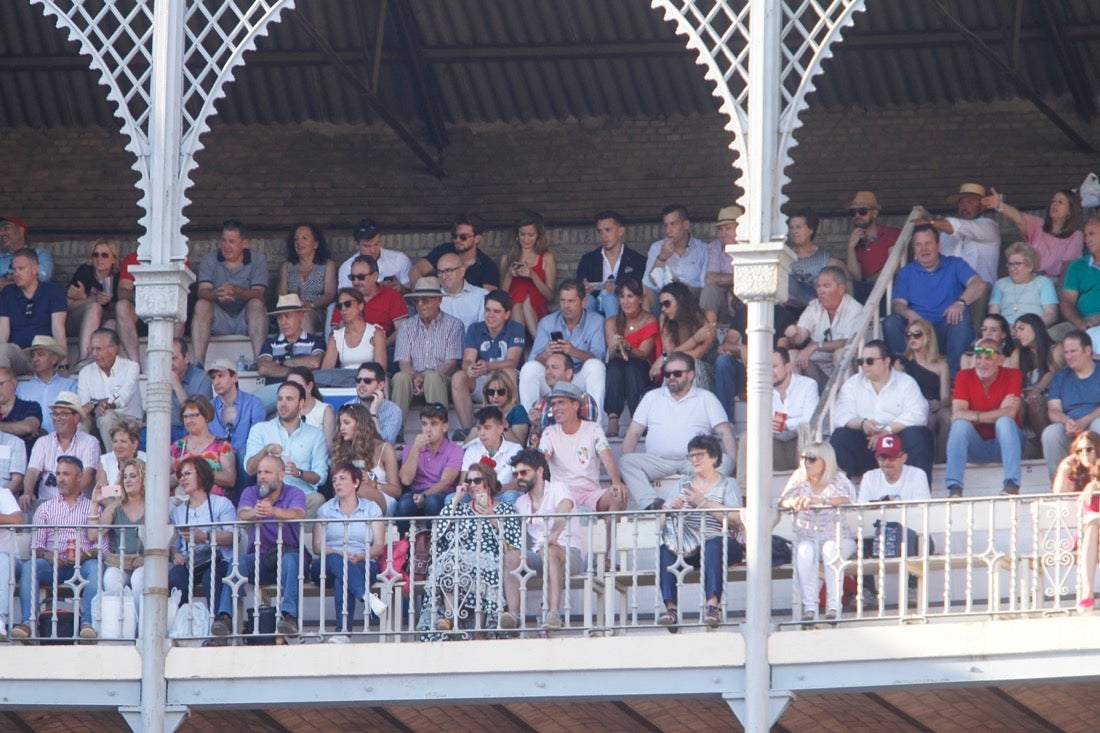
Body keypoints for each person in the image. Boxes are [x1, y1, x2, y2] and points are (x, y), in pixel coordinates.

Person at [620, 352, 738, 510]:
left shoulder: (706, 398)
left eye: (677, 373)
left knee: (726, 461)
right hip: (657, 461)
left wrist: (734, 469)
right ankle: (652, 505)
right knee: (626, 462)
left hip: (695, 461)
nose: (671, 378)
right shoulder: (651, 397)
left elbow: (725, 432)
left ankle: (697, 499)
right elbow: (633, 433)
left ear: (691, 375)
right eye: (667, 374)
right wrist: (624, 478)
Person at [211, 454, 307, 639]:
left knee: (291, 560)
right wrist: (256, 512)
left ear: (281, 476)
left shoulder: (295, 492)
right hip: (260, 560)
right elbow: (242, 513)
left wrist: (274, 511)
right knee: (237, 563)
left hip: (287, 556)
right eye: (260, 472)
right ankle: (224, 617)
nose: (262, 476)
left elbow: (299, 513)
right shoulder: (250, 492)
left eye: (268, 472)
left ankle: (289, 618)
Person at [657, 433, 744, 631]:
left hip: (722, 543)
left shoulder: (727, 483)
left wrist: (703, 503)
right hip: (689, 545)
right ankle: (671, 610)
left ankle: (713, 606)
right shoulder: (682, 484)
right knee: (666, 550)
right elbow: (661, 524)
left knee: (712, 544)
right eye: (691, 455)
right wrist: (671, 510)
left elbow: (736, 519)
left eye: (699, 455)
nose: (694, 459)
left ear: (713, 457)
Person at [422, 461, 522, 634]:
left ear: (488, 483)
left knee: (475, 566)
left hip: (491, 557)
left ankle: (479, 631)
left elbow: (514, 542)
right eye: (469, 481)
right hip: (460, 558)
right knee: (450, 560)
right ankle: (450, 617)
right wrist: (456, 500)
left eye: (477, 480)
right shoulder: (460, 509)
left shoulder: (504, 508)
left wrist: (492, 517)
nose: (472, 485)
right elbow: (437, 534)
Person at [11, 456, 100, 640]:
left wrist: (86, 554)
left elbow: (103, 549)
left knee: (96, 567)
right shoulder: (45, 508)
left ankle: (87, 624)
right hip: (53, 565)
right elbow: (35, 547)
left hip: (83, 564)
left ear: (79, 477)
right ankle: (28, 624)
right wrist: (48, 555)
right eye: (58, 473)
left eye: (66, 474)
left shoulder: (93, 507)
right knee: (30, 566)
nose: (60, 478)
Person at [884, 224, 986, 377]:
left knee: (961, 317)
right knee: (891, 322)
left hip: (947, 329)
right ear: (914, 249)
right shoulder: (906, 272)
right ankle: (905, 374)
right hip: (919, 331)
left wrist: (960, 302)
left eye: (928, 243)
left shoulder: (955, 264)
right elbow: (897, 304)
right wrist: (909, 313)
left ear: (938, 245)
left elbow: (979, 284)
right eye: (918, 244)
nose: (924, 249)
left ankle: (952, 377)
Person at [829, 340, 933, 482]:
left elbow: (919, 414)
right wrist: (863, 424)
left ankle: (920, 495)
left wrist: (887, 430)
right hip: (867, 444)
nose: (864, 365)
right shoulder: (852, 384)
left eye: (870, 361)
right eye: (861, 361)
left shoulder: (906, 382)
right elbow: (841, 415)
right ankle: (843, 492)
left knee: (919, 436)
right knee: (840, 437)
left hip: (897, 443)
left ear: (886, 361)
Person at [778, 441, 855, 623]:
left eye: (812, 459)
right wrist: (793, 503)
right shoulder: (799, 477)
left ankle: (834, 606)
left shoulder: (838, 479)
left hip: (839, 537)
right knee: (804, 551)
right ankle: (810, 607)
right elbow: (782, 501)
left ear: (825, 461)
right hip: (808, 537)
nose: (806, 463)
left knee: (830, 549)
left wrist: (819, 500)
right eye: (804, 458)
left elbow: (848, 499)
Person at [508, 449, 584, 631]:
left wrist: (554, 536)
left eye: (524, 472)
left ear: (539, 471)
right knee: (510, 557)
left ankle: (553, 613)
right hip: (538, 554)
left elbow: (564, 508)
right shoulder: (520, 503)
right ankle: (513, 616)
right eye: (516, 474)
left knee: (549, 551)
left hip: (569, 553)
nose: (519, 477)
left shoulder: (557, 488)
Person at [310, 462, 386, 635]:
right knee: (338, 562)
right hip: (327, 565)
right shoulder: (325, 510)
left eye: (342, 478)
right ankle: (367, 597)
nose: (337, 483)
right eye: (334, 479)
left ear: (356, 483)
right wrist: (342, 554)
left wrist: (359, 556)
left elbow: (379, 546)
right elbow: (317, 546)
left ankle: (343, 632)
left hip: (363, 561)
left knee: (342, 579)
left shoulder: (371, 508)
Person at [945, 338, 1025, 497]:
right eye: (978, 357)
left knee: (1004, 421)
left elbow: (1009, 413)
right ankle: (955, 487)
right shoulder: (964, 376)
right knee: (960, 425)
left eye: (988, 357)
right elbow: (958, 413)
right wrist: (996, 411)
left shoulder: (1013, 374)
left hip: (1006, 444)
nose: (982, 362)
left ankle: (1012, 485)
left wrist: (974, 416)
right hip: (976, 446)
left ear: (1000, 359)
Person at [538, 382, 627, 513]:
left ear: (575, 405)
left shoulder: (593, 428)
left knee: (619, 497)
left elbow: (606, 456)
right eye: (553, 404)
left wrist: (616, 482)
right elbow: (541, 461)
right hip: (561, 495)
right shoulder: (549, 432)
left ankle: (610, 534)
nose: (555, 408)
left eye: (561, 402)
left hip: (590, 494)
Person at [244, 381, 330, 517]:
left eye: (289, 399)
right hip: (268, 495)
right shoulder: (260, 429)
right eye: (279, 399)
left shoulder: (316, 435)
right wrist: (265, 450)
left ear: (301, 403)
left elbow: (320, 477)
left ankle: (301, 538)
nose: (283, 404)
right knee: (248, 500)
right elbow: (249, 469)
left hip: (301, 496)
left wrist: (299, 473)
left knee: (318, 499)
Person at [520, 279, 607, 410]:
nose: (566, 305)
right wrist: (545, 354)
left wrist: (573, 351)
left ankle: (595, 424)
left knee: (596, 366)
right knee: (529, 368)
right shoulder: (547, 323)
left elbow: (599, 357)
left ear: (583, 302)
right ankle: (530, 421)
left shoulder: (596, 321)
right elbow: (533, 359)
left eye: (571, 301)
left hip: (579, 378)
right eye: (562, 300)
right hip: (553, 380)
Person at [191, 219, 269, 365]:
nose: (226, 246)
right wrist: (218, 293)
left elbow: (259, 293)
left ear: (244, 244)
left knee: (257, 304)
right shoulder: (209, 259)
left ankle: (259, 360)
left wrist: (236, 291)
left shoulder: (258, 259)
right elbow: (202, 291)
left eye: (232, 241)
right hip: (220, 319)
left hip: (245, 319)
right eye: (224, 241)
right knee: (202, 304)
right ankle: (199, 362)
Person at [450, 290, 526, 439]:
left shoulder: (516, 328)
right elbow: (467, 360)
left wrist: (488, 366)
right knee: (459, 377)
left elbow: (512, 361)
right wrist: (470, 368)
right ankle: (471, 429)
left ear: (507, 314)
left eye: (496, 311)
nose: (490, 315)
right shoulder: (475, 329)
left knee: (508, 371)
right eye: (487, 310)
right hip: (483, 380)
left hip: (505, 381)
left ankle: (508, 423)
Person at [167, 458, 234, 615]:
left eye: (188, 473)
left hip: (217, 560)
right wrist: (176, 554)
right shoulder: (177, 512)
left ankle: (218, 626)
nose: (183, 479)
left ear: (202, 475)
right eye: (181, 475)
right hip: (190, 563)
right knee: (176, 577)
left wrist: (205, 536)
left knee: (210, 578)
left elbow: (233, 536)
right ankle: (181, 625)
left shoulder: (221, 503)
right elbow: (174, 543)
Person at [391, 278, 464, 420]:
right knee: (400, 377)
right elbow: (403, 363)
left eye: (425, 300)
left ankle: (439, 430)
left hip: (442, 380)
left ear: (438, 300)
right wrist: (415, 377)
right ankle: (396, 432)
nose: (420, 304)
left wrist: (426, 379)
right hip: (413, 380)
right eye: (416, 300)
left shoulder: (454, 325)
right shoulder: (406, 326)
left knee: (432, 377)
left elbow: (451, 363)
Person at [779, 265, 861, 390]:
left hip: (846, 371)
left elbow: (849, 342)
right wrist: (794, 334)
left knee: (840, 354)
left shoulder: (854, 309)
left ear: (841, 288)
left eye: (826, 286)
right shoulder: (815, 306)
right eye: (818, 286)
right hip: (818, 369)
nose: (820, 291)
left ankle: (847, 402)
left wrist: (816, 346)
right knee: (793, 355)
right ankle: (798, 405)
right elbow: (801, 335)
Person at [87, 457, 146, 623]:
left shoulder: (154, 505)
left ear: (144, 479)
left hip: (145, 563)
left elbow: (165, 538)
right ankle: (121, 627)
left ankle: (140, 627)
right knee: (110, 579)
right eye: (125, 476)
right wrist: (94, 503)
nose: (128, 480)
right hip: (117, 562)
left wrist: (147, 558)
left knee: (139, 579)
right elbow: (93, 535)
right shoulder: (115, 505)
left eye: (133, 476)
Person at [22, 391, 99, 512]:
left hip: (78, 504)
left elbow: (88, 475)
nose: (57, 418)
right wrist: (28, 491)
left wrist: (67, 499)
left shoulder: (90, 442)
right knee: (26, 503)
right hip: (46, 504)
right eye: (55, 414)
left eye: (63, 414)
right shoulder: (43, 442)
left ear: (76, 417)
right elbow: (32, 471)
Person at [984, 187, 1084, 279]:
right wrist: (1000, 205)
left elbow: (1068, 269)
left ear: (1070, 210)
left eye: (1060, 202)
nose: (1055, 204)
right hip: (1030, 280)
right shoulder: (1038, 225)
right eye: (1053, 201)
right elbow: (1018, 218)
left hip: (1056, 284)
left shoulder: (1076, 236)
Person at [775, 209, 845, 337]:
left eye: (799, 227)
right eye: (791, 228)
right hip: (790, 308)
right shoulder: (785, 256)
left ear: (811, 230)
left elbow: (845, 283)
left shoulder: (825, 258)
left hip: (817, 306)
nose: (794, 231)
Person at [603, 277, 659, 437]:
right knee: (615, 367)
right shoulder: (612, 322)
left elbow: (644, 353)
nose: (625, 301)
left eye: (630, 296)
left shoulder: (650, 320)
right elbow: (612, 355)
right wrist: (615, 346)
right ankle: (613, 419)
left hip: (642, 367)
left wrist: (628, 346)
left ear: (640, 299)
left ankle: (638, 419)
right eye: (622, 297)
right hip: (619, 367)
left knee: (632, 366)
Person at [1051, 431, 1100, 610]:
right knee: (1093, 524)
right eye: (1080, 451)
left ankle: (1087, 593)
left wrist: (1096, 484)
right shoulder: (1078, 473)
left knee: (1093, 522)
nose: (1085, 454)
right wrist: (1063, 470)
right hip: (1090, 533)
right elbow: (1059, 494)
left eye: (1089, 449)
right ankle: (1087, 592)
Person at [1041, 331, 1100, 479]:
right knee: (1051, 433)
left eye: (1073, 351)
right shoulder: (1061, 376)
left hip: (1094, 422)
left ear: (1087, 350)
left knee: (1098, 426)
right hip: (1070, 427)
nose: (1068, 356)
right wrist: (1067, 422)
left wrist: (1083, 421)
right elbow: (1053, 410)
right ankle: (1059, 486)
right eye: (1066, 352)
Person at [919, 182, 1001, 287]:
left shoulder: (989, 226)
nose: (964, 207)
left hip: (981, 294)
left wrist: (931, 223)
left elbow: (960, 226)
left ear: (982, 207)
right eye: (961, 203)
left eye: (970, 202)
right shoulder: (945, 234)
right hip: (949, 292)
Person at [893, 319, 952, 464]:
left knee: (947, 416)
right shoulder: (902, 362)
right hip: (913, 406)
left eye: (917, 334)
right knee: (928, 419)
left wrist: (939, 403)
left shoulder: (941, 365)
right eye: (909, 335)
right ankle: (927, 459)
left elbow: (945, 397)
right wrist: (923, 403)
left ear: (928, 336)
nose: (912, 338)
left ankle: (941, 460)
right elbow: (897, 395)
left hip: (935, 405)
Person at [0, 248, 67, 374]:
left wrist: (63, 365)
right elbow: (2, 334)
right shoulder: (8, 293)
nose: (16, 273)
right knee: (2, 349)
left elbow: (59, 331)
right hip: (19, 355)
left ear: (34, 269)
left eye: (21, 268)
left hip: (44, 354)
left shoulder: (53, 291)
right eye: (14, 269)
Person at [207, 358, 266, 500]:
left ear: (235, 377)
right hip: (217, 458)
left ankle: (243, 503)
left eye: (221, 376)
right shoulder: (208, 407)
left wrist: (233, 452)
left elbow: (257, 438)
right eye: (213, 377)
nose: (216, 382)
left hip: (244, 457)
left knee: (243, 455)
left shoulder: (254, 403)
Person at [255, 294, 326, 411]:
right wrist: (296, 373)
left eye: (288, 316)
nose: (283, 322)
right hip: (276, 392)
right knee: (252, 404)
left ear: (301, 315)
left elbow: (314, 362)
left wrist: (281, 362)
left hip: (303, 391)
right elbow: (263, 368)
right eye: (280, 317)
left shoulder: (315, 341)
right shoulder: (270, 343)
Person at [397, 403, 463, 528]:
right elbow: (406, 480)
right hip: (415, 492)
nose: (428, 429)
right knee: (405, 504)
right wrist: (416, 448)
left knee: (431, 502)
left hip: (440, 493)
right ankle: (402, 544)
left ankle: (433, 544)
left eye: (434, 424)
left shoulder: (455, 450)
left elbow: (445, 482)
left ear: (444, 427)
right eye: (424, 424)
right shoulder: (412, 447)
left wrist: (425, 495)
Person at [77, 328, 143, 448]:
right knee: (81, 420)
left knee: (106, 416)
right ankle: (83, 461)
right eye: (92, 349)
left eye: (99, 349)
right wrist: (96, 406)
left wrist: (106, 404)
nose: (94, 354)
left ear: (114, 349)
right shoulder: (85, 372)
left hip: (129, 421)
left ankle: (114, 463)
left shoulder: (131, 367)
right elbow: (84, 404)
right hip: (97, 420)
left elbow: (124, 397)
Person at [331, 403, 400, 516]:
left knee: (355, 488)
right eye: (340, 423)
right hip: (349, 499)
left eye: (347, 423)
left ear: (360, 424)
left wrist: (373, 484)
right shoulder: (342, 450)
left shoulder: (384, 448)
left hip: (382, 498)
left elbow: (396, 491)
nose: (342, 428)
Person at [576, 210, 647, 318]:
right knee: (586, 300)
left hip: (623, 309)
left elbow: (640, 291)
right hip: (594, 308)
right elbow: (576, 288)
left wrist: (617, 290)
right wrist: (583, 289)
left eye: (608, 230)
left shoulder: (637, 260)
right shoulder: (588, 259)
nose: (603, 235)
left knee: (609, 298)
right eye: (600, 231)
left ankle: (614, 332)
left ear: (620, 231)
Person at [525, 352, 600, 450]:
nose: (548, 371)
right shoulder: (540, 403)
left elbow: (584, 438)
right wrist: (535, 426)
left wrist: (545, 425)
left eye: (554, 367)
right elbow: (533, 446)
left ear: (569, 373)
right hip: (544, 461)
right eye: (547, 367)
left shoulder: (584, 400)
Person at [336, 254, 409, 355]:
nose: (356, 282)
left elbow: (402, 330)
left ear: (375, 276)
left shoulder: (392, 296)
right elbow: (334, 335)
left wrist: (380, 346)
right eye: (352, 277)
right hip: (350, 351)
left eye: (361, 277)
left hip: (384, 349)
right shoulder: (344, 299)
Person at [66, 239, 122, 366]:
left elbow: (117, 310)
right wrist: (92, 299)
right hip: (76, 322)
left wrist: (83, 297)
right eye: (95, 254)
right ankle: (83, 360)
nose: (99, 258)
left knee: (112, 323)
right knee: (94, 307)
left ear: (114, 259)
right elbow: (68, 306)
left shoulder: (118, 278)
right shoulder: (85, 272)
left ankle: (105, 363)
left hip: (103, 321)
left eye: (104, 255)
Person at [651, 282, 717, 390]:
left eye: (667, 303)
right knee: (674, 365)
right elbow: (670, 355)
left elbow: (697, 354)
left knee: (692, 364)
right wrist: (695, 339)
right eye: (661, 305)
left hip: (708, 371)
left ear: (681, 300)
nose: (663, 308)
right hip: (679, 370)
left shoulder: (708, 316)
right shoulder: (664, 319)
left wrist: (664, 358)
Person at [500, 211, 557, 336]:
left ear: (538, 236)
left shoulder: (546, 257)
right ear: (517, 234)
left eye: (531, 235)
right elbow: (501, 297)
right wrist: (509, 275)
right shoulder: (506, 258)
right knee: (518, 301)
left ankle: (519, 343)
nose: (525, 239)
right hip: (512, 308)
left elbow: (550, 295)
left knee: (525, 298)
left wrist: (532, 275)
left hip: (536, 306)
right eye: (522, 234)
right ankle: (537, 342)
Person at [409, 213, 500, 289]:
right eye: (455, 236)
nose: (457, 240)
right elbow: (416, 270)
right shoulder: (444, 250)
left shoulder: (487, 265)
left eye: (463, 237)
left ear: (477, 239)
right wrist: (421, 294)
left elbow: (489, 298)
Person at [317, 287, 386, 388]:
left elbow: (381, 369)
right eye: (339, 306)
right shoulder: (336, 336)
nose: (343, 309)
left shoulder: (375, 333)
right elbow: (325, 373)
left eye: (348, 304)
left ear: (361, 306)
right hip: (343, 382)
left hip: (368, 381)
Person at [765, 347, 819, 473]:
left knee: (806, 431)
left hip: (800, 445)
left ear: (788, 367)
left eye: (774, 366)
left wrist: (786, 424)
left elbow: (811, 420)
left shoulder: (808, 385)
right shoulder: (762, 390)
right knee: (748, 438)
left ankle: (807, 486)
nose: (769, 372)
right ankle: (745, 491)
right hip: (776, 446)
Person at [276, 222, 336, 333]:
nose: (299, 242)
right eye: (296, 239)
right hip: (292, 312)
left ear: (316, 244)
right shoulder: (287, 267)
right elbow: (281, 296)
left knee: (305, 316)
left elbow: (330, 294)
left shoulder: (327, 265)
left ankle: (306, 349)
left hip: (316, 312)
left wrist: (311, 305)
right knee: (286, 318)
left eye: (304, 238)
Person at [170, 396, 236, 496]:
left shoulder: (222, 445)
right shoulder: (177, 446)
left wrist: (200, 472)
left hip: (212, 504)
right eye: (185, 416)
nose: (189, 420)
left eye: (194, 415)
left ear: (206, 416)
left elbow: (230, 478)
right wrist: (180, 476)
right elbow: (162, 482)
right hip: (181, 504)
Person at [844, 191, 901, 303]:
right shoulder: (856, 243)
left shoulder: (891, 234)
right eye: (853, 212)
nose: (857, 216)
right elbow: (857, 278)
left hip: (888, 292)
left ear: (874, 213)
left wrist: (870, 281)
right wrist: (850, 247)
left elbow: (894, 268)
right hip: (865, 293)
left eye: (862, 211)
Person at [1014, 314, 1063, 441]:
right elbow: (1011, 377)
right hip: (1025, 395)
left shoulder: (1056, 349)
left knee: (1036, 401)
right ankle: (1014, 443)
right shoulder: (1018, 353)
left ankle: (1044, 446)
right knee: (1015, 402)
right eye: (1016, 330)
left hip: (1052, 396)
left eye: (1021, 328)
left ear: (1036, 327)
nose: (1017, 334)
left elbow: (1052, 373)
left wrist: (1036, 390)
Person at [643, 204, 708, 300]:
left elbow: (705, 287)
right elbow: (648, 283)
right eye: (666, 226)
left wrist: (688, 289)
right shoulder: (656, 248)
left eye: (673, 224)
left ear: (685, 225)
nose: (668, 231)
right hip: (663, 300)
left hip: (692, 300)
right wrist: (662, 258)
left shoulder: (702, 249)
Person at [17, 335, 76, 436]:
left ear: (54, 359)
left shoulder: (69, 385)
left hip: (63, 439)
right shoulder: (22, 388)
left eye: (40, 354)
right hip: (30, 440)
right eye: (33, 356)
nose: (35, 359)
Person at [988, 242, 1059, 326]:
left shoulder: (1044, 282)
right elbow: (993, 316)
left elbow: (1051, 315)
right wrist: (1005, 328)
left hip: (1034, 330)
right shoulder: (1000, 284)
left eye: (1017, 264)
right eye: (1010, 264)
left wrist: (1028, 328)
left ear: (1030, 266)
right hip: (1006, 331)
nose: (1012, 268)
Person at [461, 406, 522, 497]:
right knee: (452, 498)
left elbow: (520, 482)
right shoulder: (471, 451)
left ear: (500, 429)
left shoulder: (515, 449)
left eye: (487, 428)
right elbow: (463, 483)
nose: (482, 433)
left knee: (511, 496)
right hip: (476, 496)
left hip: (502, 495)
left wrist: (492, 490)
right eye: (479, 428)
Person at [337, 218, 412, 290]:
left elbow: (411, 294)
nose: (373, 250)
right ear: (356, 245)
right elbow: (344, 297)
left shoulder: (399, 259)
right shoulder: (347, 267)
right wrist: (376, 289)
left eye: (376, 244)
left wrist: (400, 288)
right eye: (367, 246)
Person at [856, 435, 931, 504]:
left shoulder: (917, 475)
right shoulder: (869, 477)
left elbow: (921, 511)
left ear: (904, 458)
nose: (886, 462)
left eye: (892, 457)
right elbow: (861, 511)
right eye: (882, 457)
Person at [1058, 216, 1100, 342]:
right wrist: (1080, 323)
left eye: (1091, 234)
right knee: (1046, 337)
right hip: (1085, 322)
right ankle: (995, 357)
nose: (1087, 240)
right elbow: (1067, 302)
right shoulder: (1077, 266)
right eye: (1085, 236)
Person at [699, 205, 742, 327]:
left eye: (728, 228)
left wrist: (733, 289)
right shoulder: (715, 247)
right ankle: (707, 336)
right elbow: (710, 279)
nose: (723, 234)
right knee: (709, 290)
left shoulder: (752, 245)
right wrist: (732, 286)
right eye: (720, 229)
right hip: (724, 305)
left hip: (747, 302)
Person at [348, 362, 402, 445]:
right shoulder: (348, 408)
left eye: (367, 381)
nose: (361, 385)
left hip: (381, 457)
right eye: (358, 380)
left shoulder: (393, 410)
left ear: (380, 385)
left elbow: (385, 445)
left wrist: (373, 413)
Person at [168, 338, 211, 441]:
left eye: (174, 358)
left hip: (192, 427)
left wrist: (176, 384)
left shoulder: (203, 378)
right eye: (166, 359)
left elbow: (199, 414)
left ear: (186, 357)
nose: (169, 364)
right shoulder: (161, 377)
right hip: (167, 429)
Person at [438, 252, 489, 331]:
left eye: (448, 271)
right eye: (440, 272)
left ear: (462, 271)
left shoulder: (481, 296)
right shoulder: (433, 299)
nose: (443, 276)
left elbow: (484, 333)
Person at [286, 367, 335, 446]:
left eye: (297, 386)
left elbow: (329, 447)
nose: (292, 390)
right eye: (289, 386)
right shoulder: (284, 409)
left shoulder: (325, 411)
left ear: (309, 387)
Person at [0, 217, 54, 288]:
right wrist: (28, 279)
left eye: (6, 228)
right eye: (0, 230)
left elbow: (45, 275)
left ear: (21, 230)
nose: (1, 233)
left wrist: (7, 278)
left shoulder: (40, 253)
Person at [482, 370, 529, 446]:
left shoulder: (518, 411)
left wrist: (501, 421)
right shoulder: (485, 411)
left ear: (509, 392)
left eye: (501, 392)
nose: (495, 396)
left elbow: (518, 446)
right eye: (491, 392)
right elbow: (467, 443)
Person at [0, 365, 42, 450]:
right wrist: (16, 429)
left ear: (14, 383)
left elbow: (28, 428)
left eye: (0, 384)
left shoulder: (30, 406)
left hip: (25, 461)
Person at [0, 480, 21, 638]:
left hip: (9, 563)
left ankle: (0, 620)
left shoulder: (3, 494)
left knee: (1, 559)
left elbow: (18, 521)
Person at [96, 422, 146, 487]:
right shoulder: (105, 460)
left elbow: (146, 490)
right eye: (115, 441)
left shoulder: (146, 459)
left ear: (135, 444)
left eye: (123, 441)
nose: (118, 446)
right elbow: (102, 491)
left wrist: (115, 490)